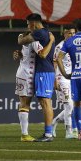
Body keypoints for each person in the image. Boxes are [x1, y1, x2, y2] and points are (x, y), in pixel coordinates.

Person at [18, 13, 56, 142]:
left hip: (44, 71)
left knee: (46, 103)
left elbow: (43, 54)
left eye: (28, 24)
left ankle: (48, 134)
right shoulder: (46, 32)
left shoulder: (39, 33)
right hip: (46, 71)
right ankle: (48, 133)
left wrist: (51, 41)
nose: (28, 27)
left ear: (33, 24)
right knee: (45, 102)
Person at [57, 18, 81, 140]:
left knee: (76, 104)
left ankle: (80, 131)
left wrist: (64, 74)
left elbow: (59, 58)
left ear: (76, 28)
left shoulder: (69, 41)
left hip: (75, 76)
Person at [52, 26, 76, 139]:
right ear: (64, 34)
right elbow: (54, 64)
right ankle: (68, 132)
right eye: (69, 33)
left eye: (73, 33)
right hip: (62, 78)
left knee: (72, 106)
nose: (72, 35)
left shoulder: (74, 45)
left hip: (72, 78)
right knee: (69, 104)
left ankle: (54, 122)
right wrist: (54, 80)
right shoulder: (60, 47)